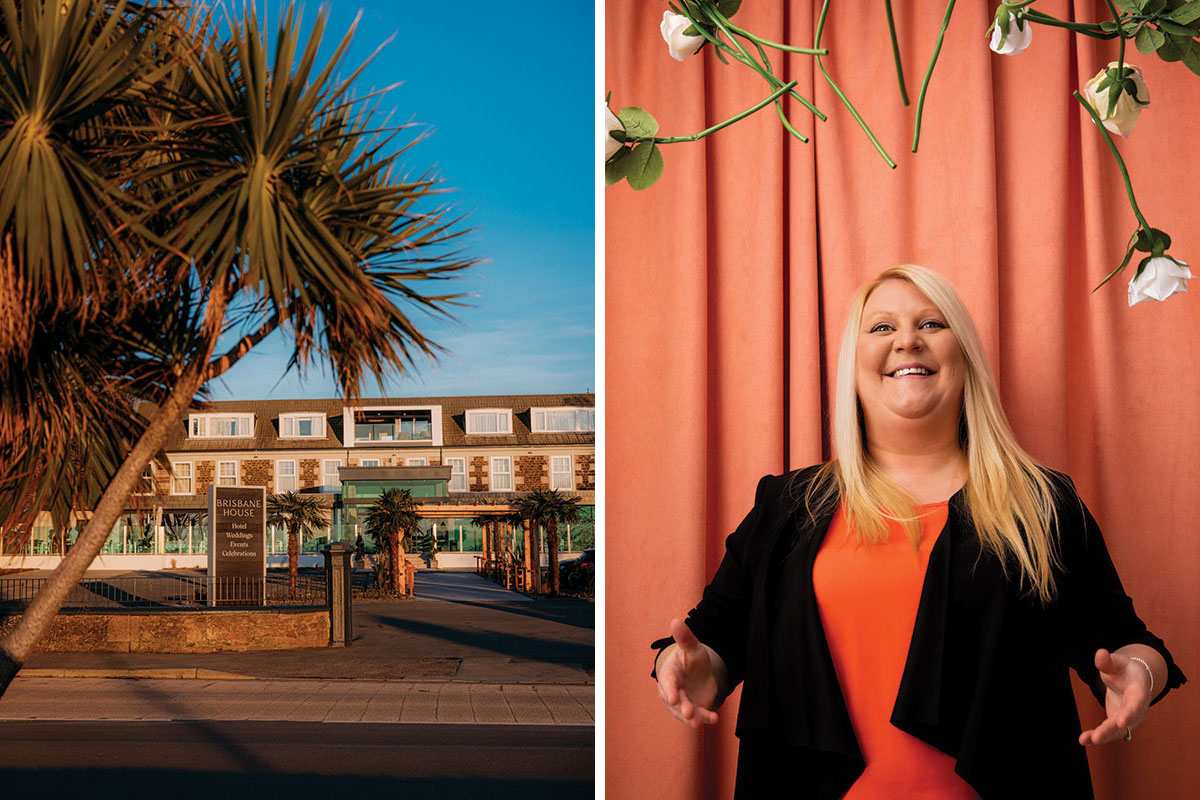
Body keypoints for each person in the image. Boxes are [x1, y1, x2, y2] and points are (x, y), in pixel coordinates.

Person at [651, 266, 1185, 799]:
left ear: (964, 355)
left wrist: (1139, 673)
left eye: (931, 324)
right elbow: (713, 641)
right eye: (882, 327)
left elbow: (1128, 641)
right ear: (852, 364)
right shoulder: (787, 506)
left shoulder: (1043, 503)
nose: (907, 340)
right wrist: (691, 669)